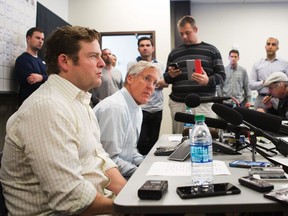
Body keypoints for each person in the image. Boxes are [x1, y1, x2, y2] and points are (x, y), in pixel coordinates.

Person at [0, 26, 127, 215]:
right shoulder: (47, 107)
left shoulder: (80, 101)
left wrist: (130, 194)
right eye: (93, 56)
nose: (102, 63)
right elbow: (71, 199)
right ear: (65, 62)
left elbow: (100, 159)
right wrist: (130, 206)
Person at [93, 61, 161, 178]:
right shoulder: (115, 107)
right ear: (130, 78)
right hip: (105, 181)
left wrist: (148, 164)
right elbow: (109, 160)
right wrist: (142, 173)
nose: (151, 87)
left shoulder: (137, 108)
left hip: (121, 173)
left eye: (155, 83)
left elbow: (130, 151)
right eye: (147, 79)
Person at [163, 15, 226, 134]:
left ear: (196, 29)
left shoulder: (212, 51)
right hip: (179, 104)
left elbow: (222, 76)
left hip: (205, 104)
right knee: (180, 138)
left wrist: (208, 80)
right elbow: (166, 78)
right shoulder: (174, 53)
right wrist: (170, 75)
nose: (184, 37)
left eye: (187, 32)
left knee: (208, 138)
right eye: (181, 34)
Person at [127, 37, 168, 155]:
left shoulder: (159, 65)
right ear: (138, 49)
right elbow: (132, 83)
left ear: (153, 48)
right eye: (142, 45)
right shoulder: (133, 64)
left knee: (153, 142)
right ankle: (139, 166)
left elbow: (165, 83)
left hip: (157, 108)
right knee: (141, 141)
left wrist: (148, 81)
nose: (145, 48)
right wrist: (156, 82)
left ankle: (149, 164)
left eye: (147, 45)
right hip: (141, 108)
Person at [249, 37, 288, 112]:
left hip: (278, 100)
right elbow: (251, 85)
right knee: (256, 121)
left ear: (277, 48)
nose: (270, 46)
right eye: (268, 44)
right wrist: (265, 82)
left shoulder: (285, 64)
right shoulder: (257, 64)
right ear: (265, 46)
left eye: (273, 44)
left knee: (278, 119)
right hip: (261, 99)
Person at [15, 27, 48, 106]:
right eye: (37, 38)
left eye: (42, 39)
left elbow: (52, 79)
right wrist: (46, 78)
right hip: (28, 104)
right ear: (28, 38)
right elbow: (32, 83)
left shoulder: (42, 61)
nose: (40, 41)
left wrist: (41, 77)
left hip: (43, 103)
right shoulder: (22, 60)